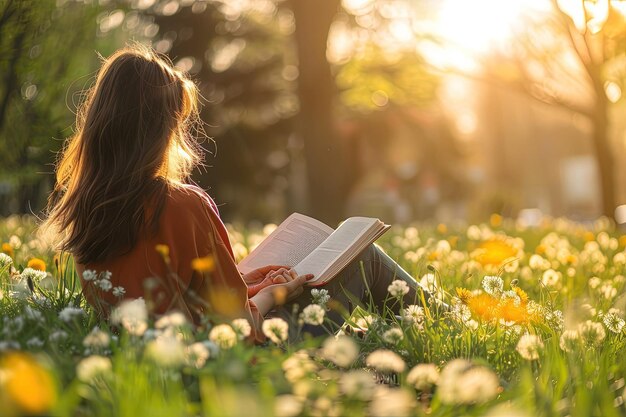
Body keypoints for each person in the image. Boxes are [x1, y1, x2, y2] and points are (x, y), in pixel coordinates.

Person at [41, 44, 430, 342]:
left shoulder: (86, 211)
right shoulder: (180, 204)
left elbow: (183, 298)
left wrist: (250, 283)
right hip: (247, 358)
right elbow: (240, 327)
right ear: (161, 129)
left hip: (170, 354)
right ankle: (446, 327)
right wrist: (277, 294)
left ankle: (405, 334)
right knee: (363, 255)